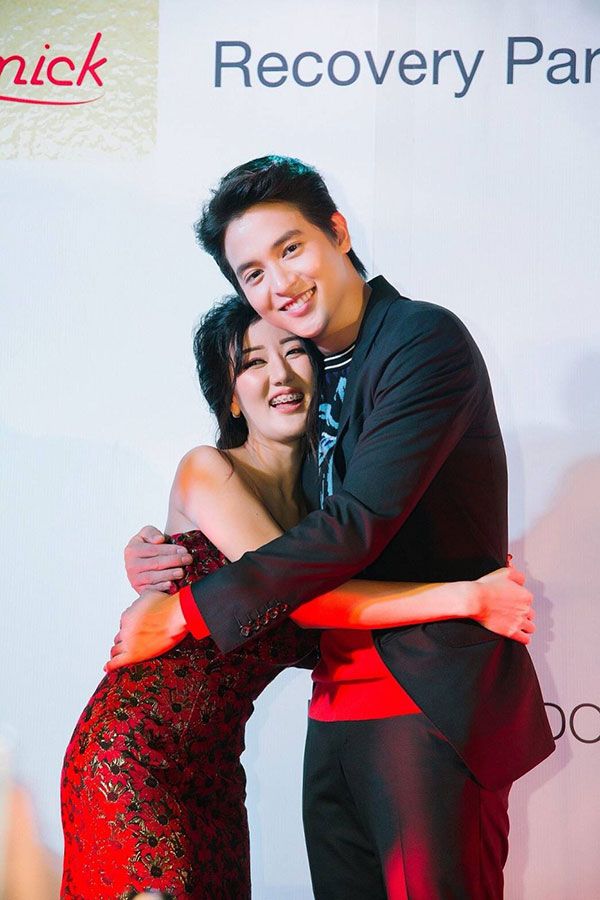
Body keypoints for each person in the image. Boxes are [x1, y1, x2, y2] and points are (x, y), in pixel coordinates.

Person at [115, 157, 554, 899]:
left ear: (338, 233)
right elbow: (269, 522)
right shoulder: (309, 370)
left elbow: (355, 526)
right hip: (334, 710)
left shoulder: (421, 339)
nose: (280, 284)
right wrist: (170, 550)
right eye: (253, 274)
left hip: (427, 707)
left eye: (290, 249)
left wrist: (188, 610)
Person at [61, 297, 531, 900]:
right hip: (130, 755)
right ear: (232, 397)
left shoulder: (326, 516)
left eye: (293, 352)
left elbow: (330, 602)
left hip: (215, 774)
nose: (280, 375)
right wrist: (466, 597)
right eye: (253, 362)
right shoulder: (210, 469)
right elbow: (300, 599)